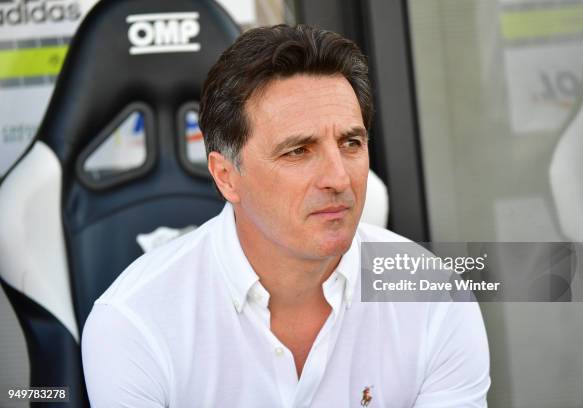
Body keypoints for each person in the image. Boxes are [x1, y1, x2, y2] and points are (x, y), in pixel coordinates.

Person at [81, 24, 490, 407]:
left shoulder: (436, 298)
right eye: (298, 151)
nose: (338, 177)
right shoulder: (134, 321)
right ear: (226, 177)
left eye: (351, 143)